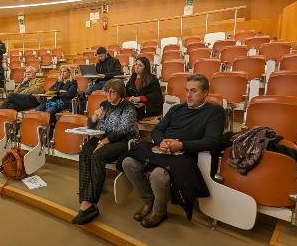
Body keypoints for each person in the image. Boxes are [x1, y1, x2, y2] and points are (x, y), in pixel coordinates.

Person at [122, 74, 225, 228]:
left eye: (194, 91)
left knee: (158, 174)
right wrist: (161, 141)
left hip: (186, 154)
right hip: (163, 150)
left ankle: (159, 210)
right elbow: (157, 130)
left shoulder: (215, 112)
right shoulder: (176, 109)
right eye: (187, 90)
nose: (188, 95)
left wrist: (181, 145)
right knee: (128, 162)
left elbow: (212, 141)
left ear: (205, 93)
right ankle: (148, 201)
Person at [71, 79, 137, 225]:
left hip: (121, 141)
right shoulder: (104, 105)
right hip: (102, 137)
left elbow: (124, 130)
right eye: (106, 91)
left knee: (97, 155)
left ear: (120, 92)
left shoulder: (128, 107)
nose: (108, 94)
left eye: (112, 91)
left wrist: (103, 142)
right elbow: (92, 125)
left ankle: (90, 203)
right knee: (85, 153)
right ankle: (86, 197)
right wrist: (94, 118)